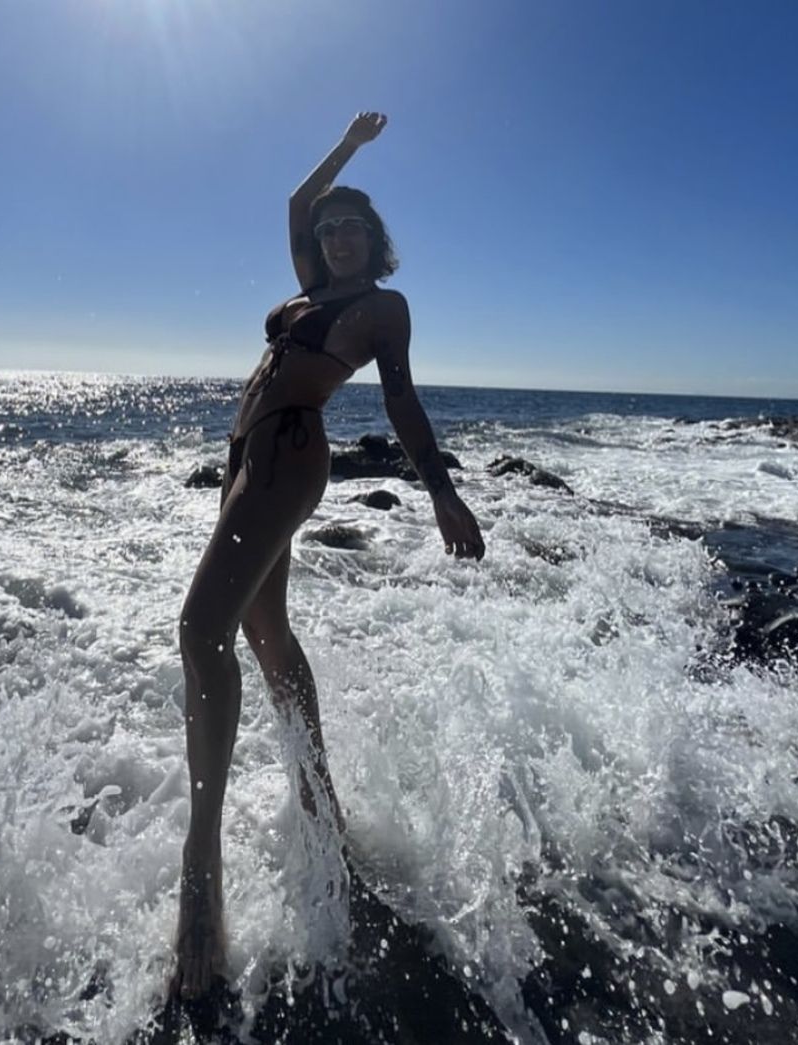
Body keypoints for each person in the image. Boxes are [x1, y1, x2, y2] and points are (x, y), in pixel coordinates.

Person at [172, 111, 486, 1000]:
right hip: (245, 458)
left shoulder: (381, 308)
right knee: (266, 635)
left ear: (375, 241)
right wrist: (347, 148)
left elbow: (403, 403)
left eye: (353, 226)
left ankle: (205, 864)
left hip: (289, 457)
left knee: (201, 632)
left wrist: (439, 488)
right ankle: (323, 808)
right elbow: (296, 197)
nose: (335, 233)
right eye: (328, 229)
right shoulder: (308, 287)